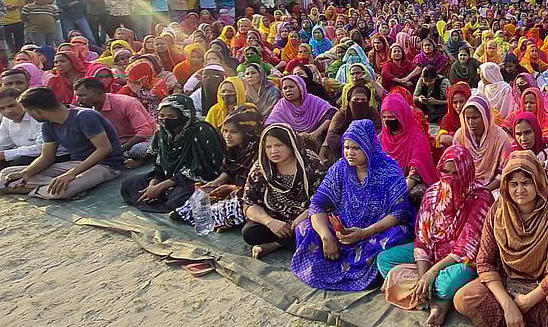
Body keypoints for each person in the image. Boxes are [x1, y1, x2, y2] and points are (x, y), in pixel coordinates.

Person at [453, 151, 548, 327]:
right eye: (514, 184)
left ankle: (524, 317)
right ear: (506, 186)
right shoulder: (498, 211)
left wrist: (528, 301)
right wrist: (508, 304)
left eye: (526, 183)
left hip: (543, 286)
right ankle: (542, 319)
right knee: (462, 299)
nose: (520, 190)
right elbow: (484, 261)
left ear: (538, 182)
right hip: (508, 282)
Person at [376, 145, 495, 327]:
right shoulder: (433, 193)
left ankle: (437, 300)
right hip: (433, 251)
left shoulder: (480, 197)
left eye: (455, 173)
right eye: (445, 171)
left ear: (466, 172)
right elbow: (422, 238)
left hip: (461, 259)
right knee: (384, 261)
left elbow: (467, 248)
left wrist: (431, 273)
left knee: (447, 284)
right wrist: (424, 275)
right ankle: (431, 297)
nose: (449, 178)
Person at [290, 119, 414, 291]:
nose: (349, 153)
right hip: (345, 228)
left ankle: (366, 271)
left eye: (356, 148)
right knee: (305, 228)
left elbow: (400, 212)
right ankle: (330, 263)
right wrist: (327, 236)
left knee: (397, 236)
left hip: (377, 230)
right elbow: (318, 203)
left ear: (368, 146)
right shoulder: (340, 168)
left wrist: (366, 232)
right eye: (347, 147)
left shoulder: (390, 170)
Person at [0, 87, 124, 199]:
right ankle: (47, 186)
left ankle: (34, 189)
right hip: (75, 163)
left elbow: (104, 149)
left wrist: (71, 174)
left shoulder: (85, 116)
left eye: (29, 112)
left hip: (105, 165)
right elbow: (46, 157)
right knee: (7, 174)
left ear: (38, 111)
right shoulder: (48, 124)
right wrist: (25, 173)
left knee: (61, 191)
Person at [120, 95, 225, 212]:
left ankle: (160, 196)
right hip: (168, 176)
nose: (165, 120)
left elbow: (203, 170)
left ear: (184, 116)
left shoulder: (200, 131)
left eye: (172, 116)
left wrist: (161, 187)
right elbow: (159, 165)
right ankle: (155, 195)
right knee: (129, 184)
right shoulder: (161, 133)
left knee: (179, 199)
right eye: (161, 116)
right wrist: (153, 185)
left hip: (193, 179)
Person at [242, 123, 330, 259]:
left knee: (317, 230)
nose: (273, 151)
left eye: (279, 145)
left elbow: (325, 196)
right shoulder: (261, 168)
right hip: (276, 218)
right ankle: (287, 241)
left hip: (307, 216)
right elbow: (249, 203)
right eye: (268, 147)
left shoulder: (310, 163)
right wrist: (270, 222)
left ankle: (276, 244)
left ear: (291, 144)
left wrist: (308, 213)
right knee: (249, 232)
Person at [173, 105, 262, 230]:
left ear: (248, 132)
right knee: (201, 195)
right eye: (225, 131)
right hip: (235, 189)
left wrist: (231, 188)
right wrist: (214, 184)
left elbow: (258, 187)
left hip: (252, 195)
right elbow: (227, 172)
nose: (227, 136)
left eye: (234, 132)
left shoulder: (260, 153)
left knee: (232, 205)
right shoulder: (233, 149)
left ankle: (224, 221)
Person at [73, 77, 155, 161]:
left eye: (82, 95)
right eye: (76, 96)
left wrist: (120, 150)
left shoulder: (126, 103)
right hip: (116, 144)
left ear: (97, 93)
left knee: (138, 150)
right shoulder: (85, 110)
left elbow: (145, 132)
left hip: (144, 141)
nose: (78, 99)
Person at [379, 92, 436, 204]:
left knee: (418, 193)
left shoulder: (417, 137)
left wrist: (397, 193)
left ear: (402, 116)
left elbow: (415, 172)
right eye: (384, 117)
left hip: (410, 181)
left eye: (391, 117)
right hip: (386, 180)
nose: (387, 121)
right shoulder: (382, 137)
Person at [452, 95, 513, 189]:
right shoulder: (460, 136)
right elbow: (456, 166)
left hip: (493, 187)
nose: (471, 122)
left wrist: (484, 191)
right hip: (465, 185)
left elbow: (504, 171)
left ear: (485, 117)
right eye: (467, 118)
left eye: (475, 117)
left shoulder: (501, 137)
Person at [266, 75, 336, 150]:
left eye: (291, 87)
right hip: (292, 142)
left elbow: (332, 113)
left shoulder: (312, 100)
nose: (288, 90)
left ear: (300, 87)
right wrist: (296, 135)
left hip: (317, 138)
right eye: (285, 88)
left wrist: (317, 132)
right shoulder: (281, 105)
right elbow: (271, 124)